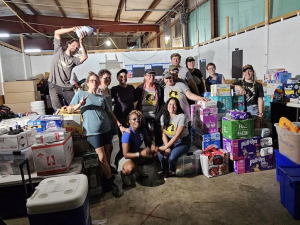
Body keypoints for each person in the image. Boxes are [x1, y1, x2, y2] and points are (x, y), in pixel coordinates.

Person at [67, 72, 128, 198]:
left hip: (106, 129)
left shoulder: (101, 97)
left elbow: (109, 112)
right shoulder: (80, 94)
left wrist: (119, 125)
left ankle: (105, 180)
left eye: (96, 80)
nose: (94, 82)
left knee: (106, 157)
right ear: (88, 83)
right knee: (101, 158)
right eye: (92, 80)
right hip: (92, 132)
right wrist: (80, 105)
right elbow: (69, 110)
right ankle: (111, 184)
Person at [49, 27, 88, 110]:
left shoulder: (73, 60)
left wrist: (81, 41)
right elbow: (56, 32)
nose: (75, 47)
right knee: (58, 109)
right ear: (68, 44)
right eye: (73, 45)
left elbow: (84, 57)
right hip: (54, 85)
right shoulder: (58, 51)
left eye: (77, 47)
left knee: (76, 106)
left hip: (66, 87)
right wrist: (72, 29)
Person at [119, 110, 157, 188]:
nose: (137, 120)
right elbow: (125, 154)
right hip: (123, 157)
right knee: (130, 168)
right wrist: (140, 154)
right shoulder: (128, 134)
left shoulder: (142, 129)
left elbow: (148, 143)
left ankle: (139, 168)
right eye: (134, 119)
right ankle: (124, 174)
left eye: (138, 118)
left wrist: (153, 147)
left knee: (153, 155)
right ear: (129, 121)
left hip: (135, 152)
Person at [158, 97, 191, 177]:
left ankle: (171, 170)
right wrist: (167, 147)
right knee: (160, 154)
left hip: (182, 141)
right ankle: (164, 171)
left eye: (174, 105)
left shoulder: (181, 116)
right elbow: (163, 134)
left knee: (171, 157)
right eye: (170, 104)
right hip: (169, 140)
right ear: (167, 105)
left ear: (178, 106)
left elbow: (177, 136)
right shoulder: (163, 117)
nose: (172, 106)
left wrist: (166, 147)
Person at [111, 69, 136, 167]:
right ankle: (118, 162)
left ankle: (131, 162)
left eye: (125, 76)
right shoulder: (114, 89)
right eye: (121, 76)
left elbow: (135, 100)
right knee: (124, 142)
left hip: (131, 119)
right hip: (120, 118)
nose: (123, 78)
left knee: (132, 141)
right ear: (117, 78)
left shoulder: (131, 88)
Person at [135, 69, 164, 146]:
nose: (151, 77)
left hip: (156, 115)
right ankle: (149, 153)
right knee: (146, 137)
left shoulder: (159, 88)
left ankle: (158, 153)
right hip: (143, 116)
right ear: (145, 77)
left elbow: (162, 103)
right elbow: (134, 100)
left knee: (158, 135)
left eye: (153, 75)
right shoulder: (140, 88)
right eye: (149, 75)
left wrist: (158, 116)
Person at [97, 69, 118, 174]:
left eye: (109, 78)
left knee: (110, 146)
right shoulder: (98, 91)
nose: (108, 80)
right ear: (100, 79)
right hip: (103, 121)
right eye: (106, 78)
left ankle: (108, 166)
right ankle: (105, 170)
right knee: (105, 148)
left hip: (111, 120)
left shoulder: (109, 90)